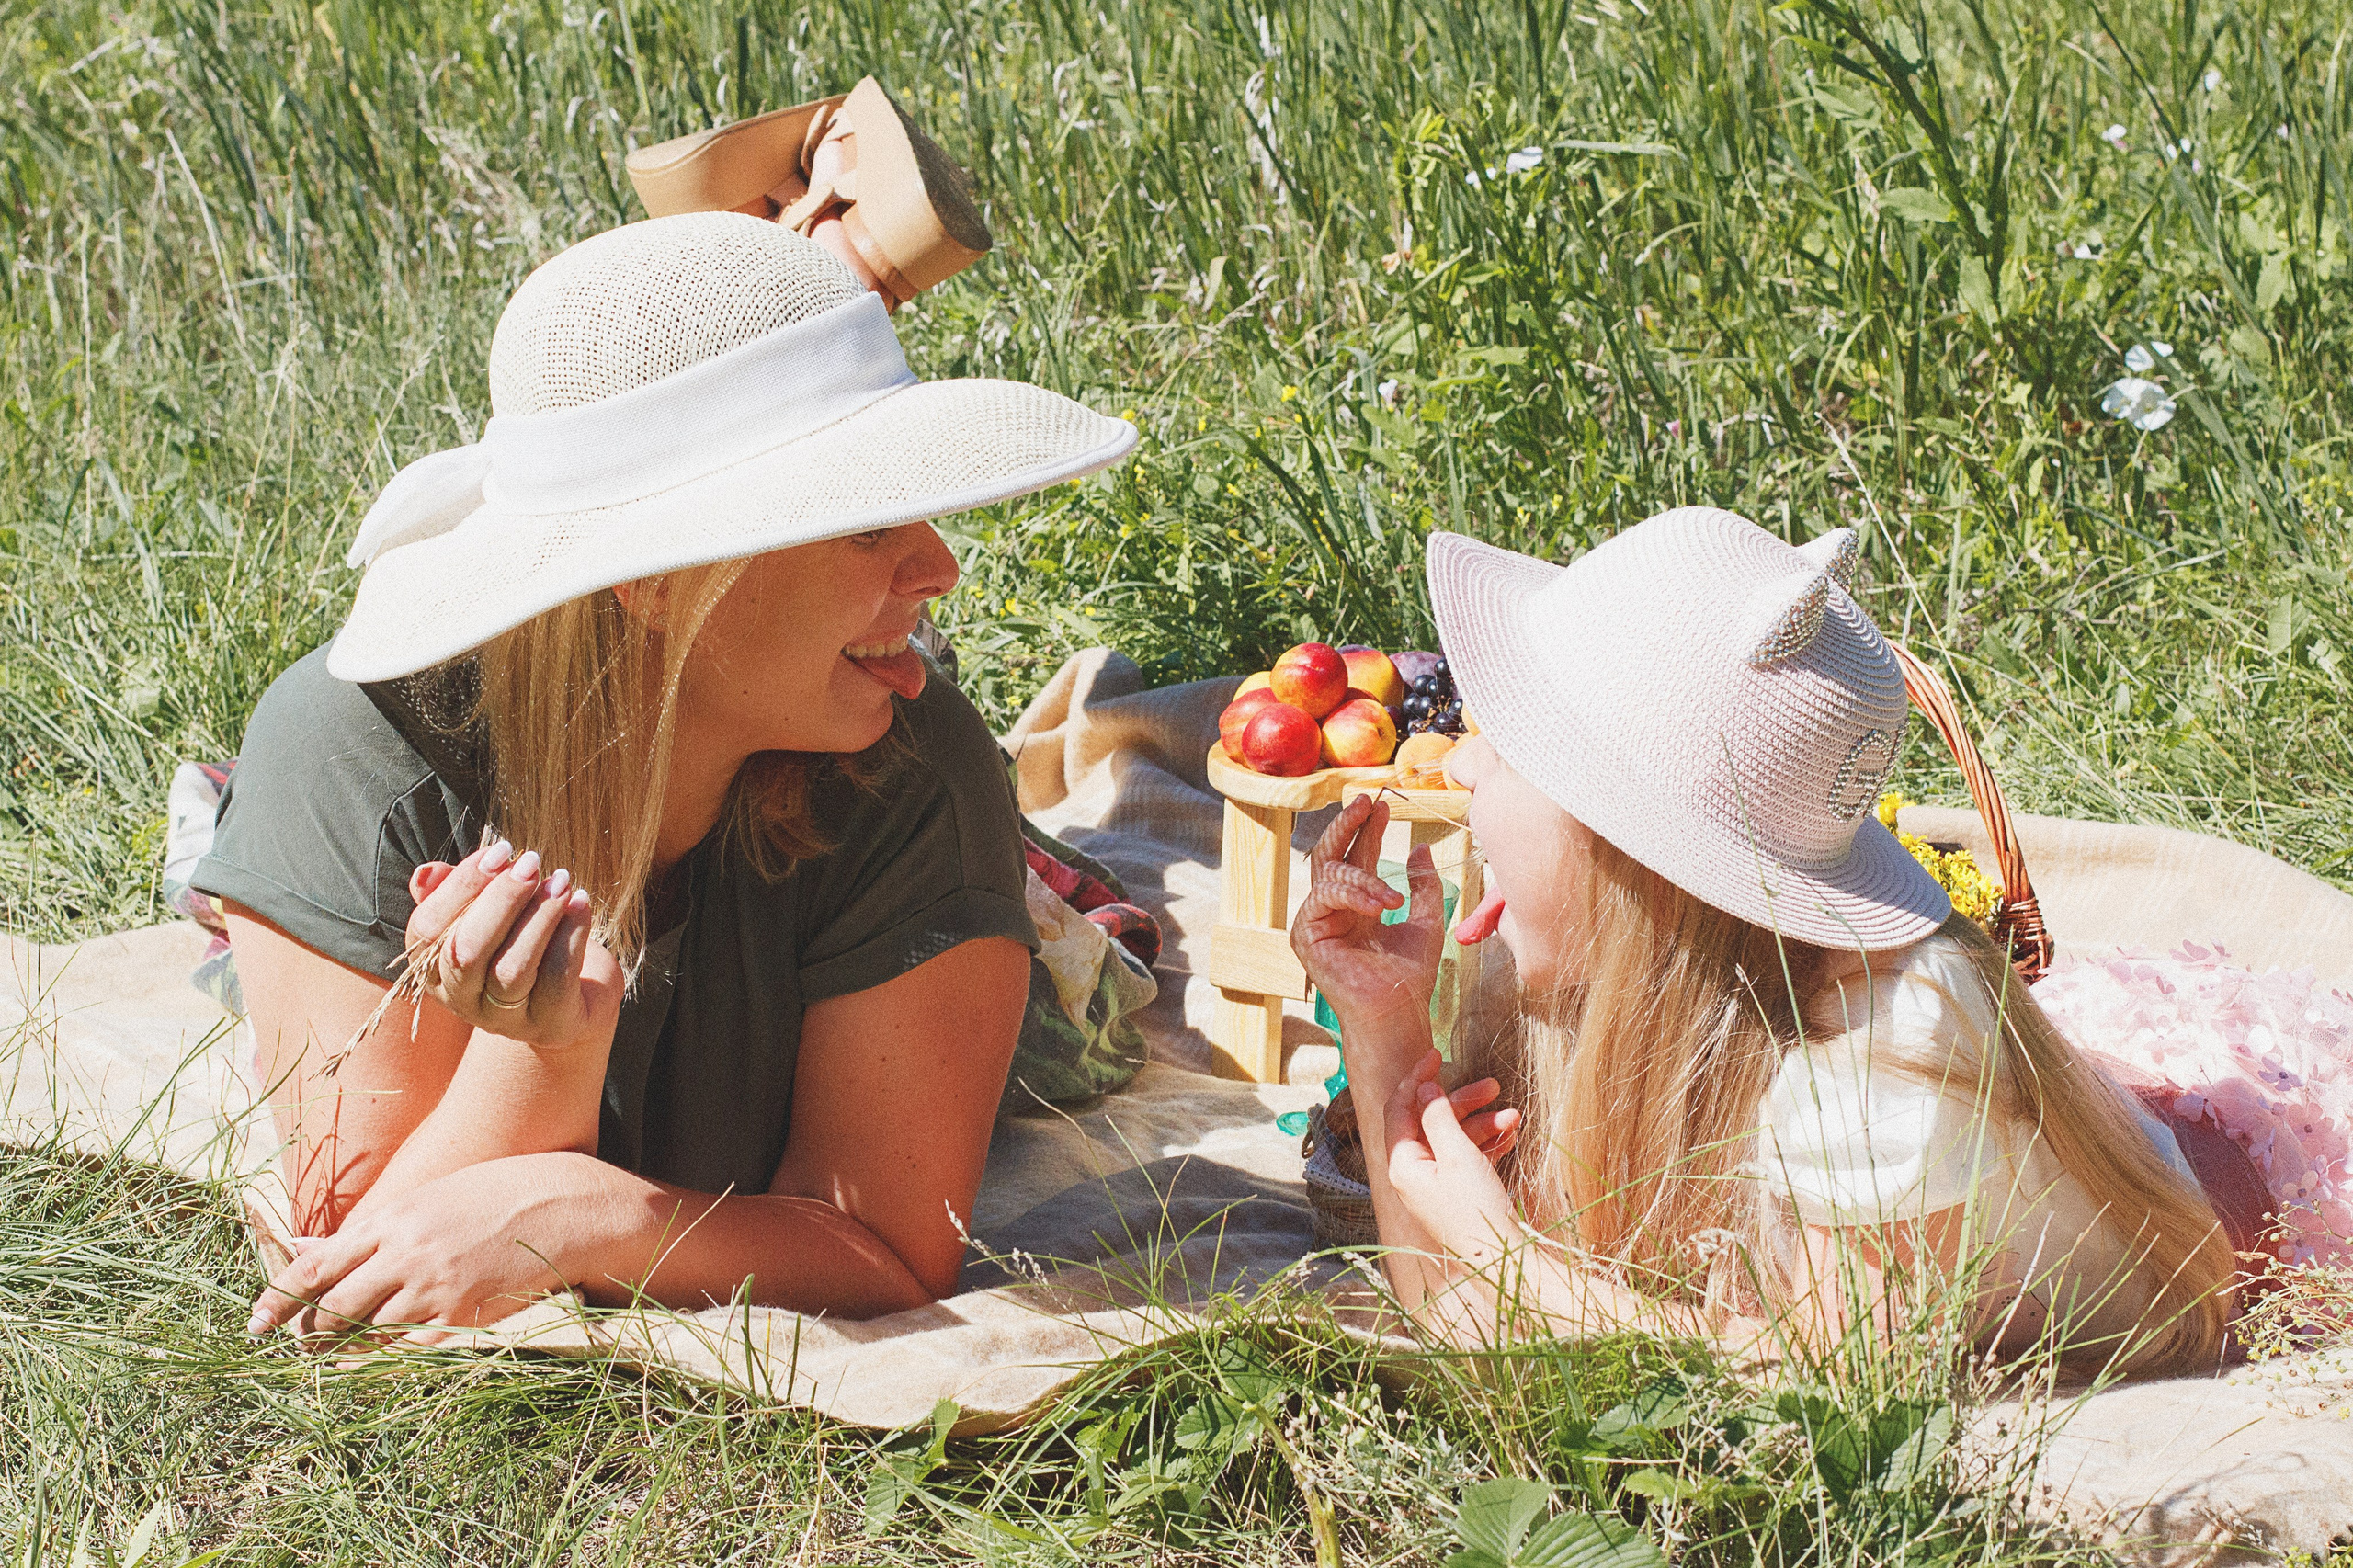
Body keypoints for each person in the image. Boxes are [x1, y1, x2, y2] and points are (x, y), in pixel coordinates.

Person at [208, 210, 1137, 1344]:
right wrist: (539, 1050)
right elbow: (358, 1270)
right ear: (652, 577)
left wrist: (596, 1215)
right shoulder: (357, 756)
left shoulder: (908, 765)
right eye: (864, 524)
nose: (937, 565)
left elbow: (892, 1245)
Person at [1292, 508, 2272, 1376]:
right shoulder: (1611, 987)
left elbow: (1832, 1386)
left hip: (2239, 1215)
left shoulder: (1880, 1067)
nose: (1459, 759)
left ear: (1627, 859)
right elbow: (1444, 1315)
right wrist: (1382, 1027)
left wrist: (1513, 1262)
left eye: (1506, 748)